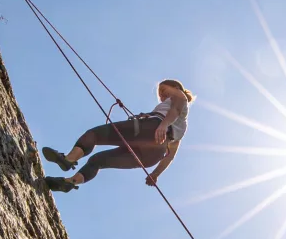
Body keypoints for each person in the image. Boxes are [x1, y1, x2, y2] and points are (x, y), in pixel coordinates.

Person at [43, 78, 195, 193]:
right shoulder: (183, 126)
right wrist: (155, 174)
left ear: (175, 87)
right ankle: (70, 182)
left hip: (150, 130)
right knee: (97, 161)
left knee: (94, 135)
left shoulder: (178, 96)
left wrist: (162, 125)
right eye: (160, 94)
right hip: (152, 155)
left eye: (163, 90)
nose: (162, 95)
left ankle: (68, 159)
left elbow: (174, 110)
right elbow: (170, 155)